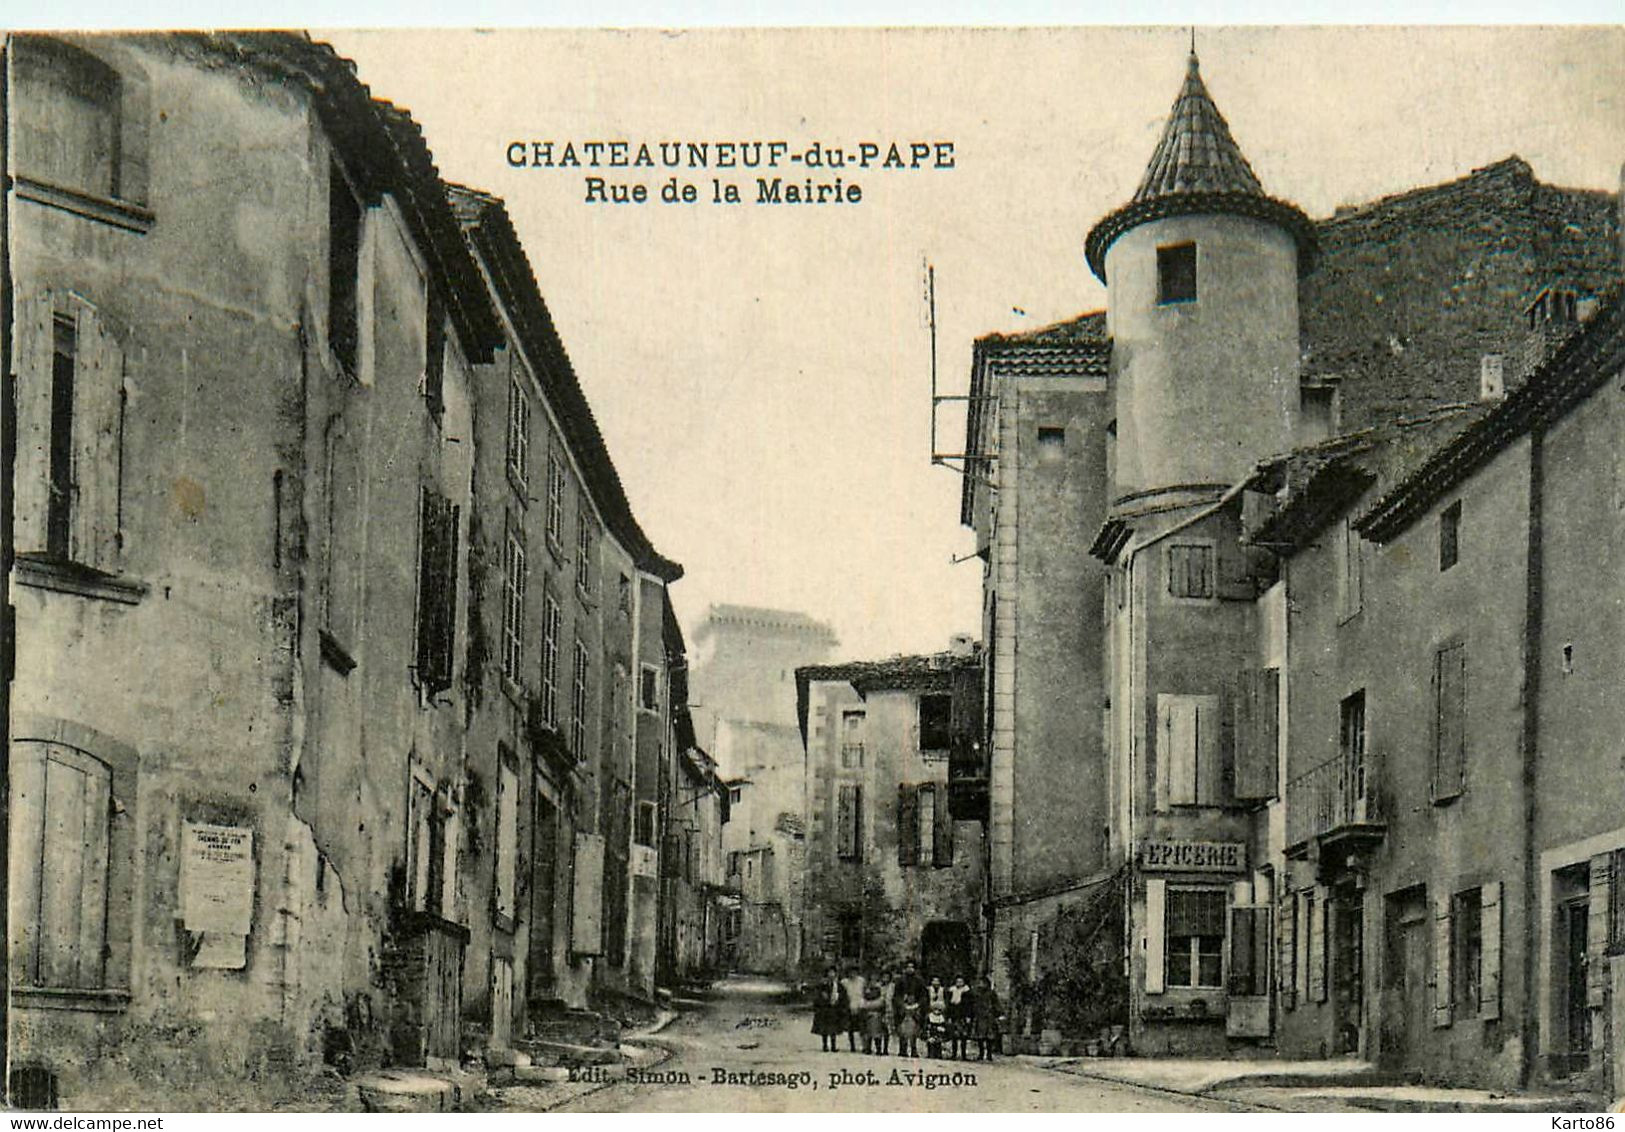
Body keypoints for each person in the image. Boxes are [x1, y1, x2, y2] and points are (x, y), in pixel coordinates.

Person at [811, 965, 848, 1052]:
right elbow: (817, 996)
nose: (831, 974)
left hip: (835, 1009)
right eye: (829, 972)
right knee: (824, 1028)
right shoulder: (823, 985)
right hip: (824, 1009)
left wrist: (841, 1005)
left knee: (834, 1029)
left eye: (833, 972)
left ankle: (833, 1045)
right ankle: (825, 1045)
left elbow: (843, 996)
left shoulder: (838, 985)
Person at [970, 975, 1003, 1061]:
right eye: (980, 983)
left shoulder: (991, 993)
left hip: (989, 1016)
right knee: (980, 1037)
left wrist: (998, 1013)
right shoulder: (976, 993)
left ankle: (989, 1054)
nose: (981, 985)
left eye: (983, 983)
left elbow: (996, 1004)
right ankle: (981, 1053)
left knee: (989, 1037)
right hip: (979, 1016)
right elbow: (973, 1004)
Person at [840, 966, 868, 1053]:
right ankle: (852, 1046)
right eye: (851, 972)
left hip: (860, 1005)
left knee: (862, 1027)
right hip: (849, 1006)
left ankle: (864, 1046)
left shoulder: (862, 981)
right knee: (850, 1028)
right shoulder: (844, 982)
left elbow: (865, 993)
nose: (853, 974)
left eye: (854, 972)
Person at [947, 973, 972, 1059]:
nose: (959, 983)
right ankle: (953, 1054)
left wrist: (968, 1016)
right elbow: (949, 1005)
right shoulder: (952, 991)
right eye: (957, 981)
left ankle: (963, 1055)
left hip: (963, 1015)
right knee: (954, 1036)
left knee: (963, 1036)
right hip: (954, 1015)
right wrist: (949, 1016)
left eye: (961, 982)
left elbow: (969, 1005)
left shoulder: (967, 992)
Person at [862, 970, 887, 1054]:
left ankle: (878, 1049)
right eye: (871, 979)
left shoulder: (879, 989)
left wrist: (872, 1005)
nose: (873, 981)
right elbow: (863, 1002)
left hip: (877, 1014)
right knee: (867, 1032)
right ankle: (867, 1048)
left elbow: (881, 1002)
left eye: (875, 979)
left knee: (877, 1032)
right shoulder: (866, 989)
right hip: (867, 1013)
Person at [925, 976, 949, 1058]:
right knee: (930, 1034)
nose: (935, 983)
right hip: (930, 1011)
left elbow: (946, 1001)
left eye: (937, 981)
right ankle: (930, 1052)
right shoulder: (928, 990)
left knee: (939, 1034)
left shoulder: (943, 990)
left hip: (941, 1011)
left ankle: (938, 1053)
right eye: (934, 981)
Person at [896, 988, 921, 1058]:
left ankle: (913, 1051)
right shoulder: (904, 1006)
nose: (910, 999)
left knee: (913, 1037)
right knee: (903, 1036)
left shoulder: (916, 1006)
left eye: (912, 997)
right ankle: (903, 1050)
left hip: (912, 1022)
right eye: (909, 997)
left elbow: (918, 1016)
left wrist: (914, 1014)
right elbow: (900, 1014)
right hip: (905, 1021)